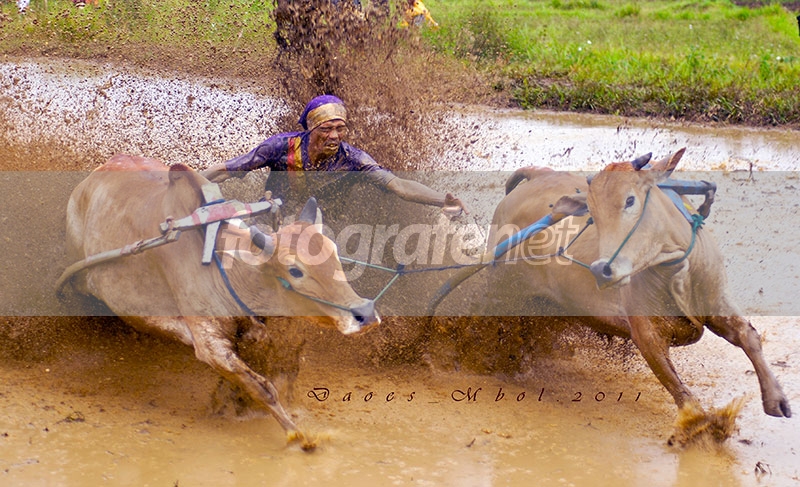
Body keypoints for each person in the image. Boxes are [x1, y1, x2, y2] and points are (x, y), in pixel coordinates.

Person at [202, 95, 467, 216]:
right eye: (326, 129)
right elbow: (228, 170)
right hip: (273, 215)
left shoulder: (353, 159)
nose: (334, 136)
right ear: (310, 129)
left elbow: (399, 186)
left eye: (340, 129)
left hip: (324, 226)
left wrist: (440, 200)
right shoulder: (280, 146)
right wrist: (187, 180)